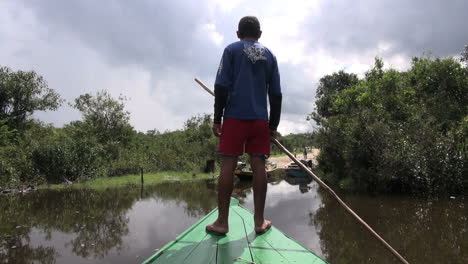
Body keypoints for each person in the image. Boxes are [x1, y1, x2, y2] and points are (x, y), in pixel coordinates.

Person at [206, 16, 282, 235]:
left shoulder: (231, 50)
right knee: (259, 165)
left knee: (228, 164)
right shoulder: (270, 55)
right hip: (260, 120)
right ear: (259, 34)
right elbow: (275, 94)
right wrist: (272, 125)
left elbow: (221, 87)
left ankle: (222, 223)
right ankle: (259, 222)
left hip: (234, 117)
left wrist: (217, 118)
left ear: (238, 33)